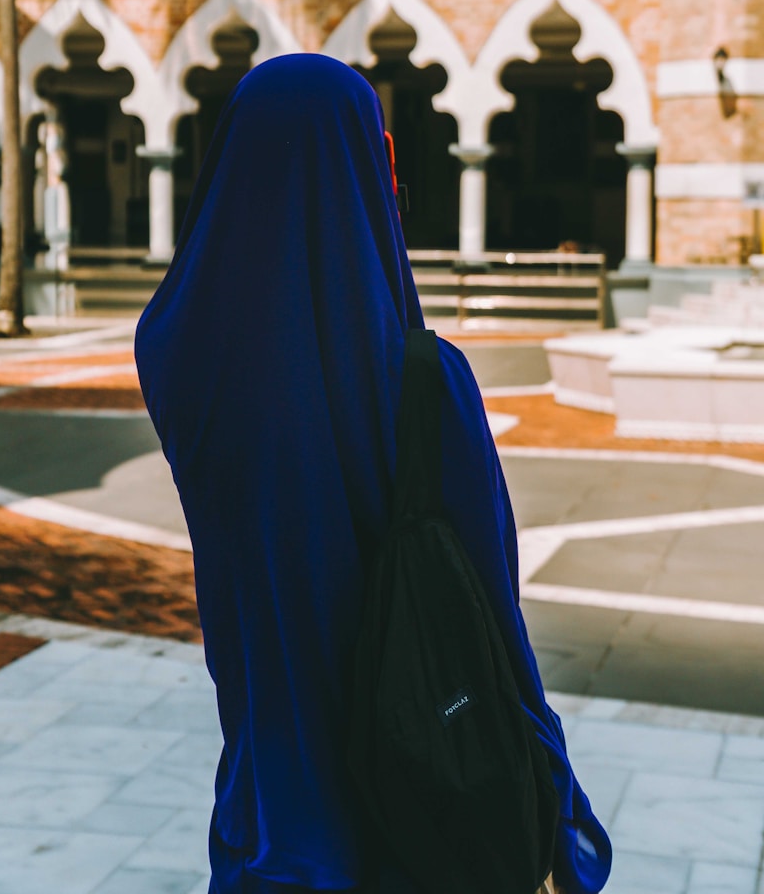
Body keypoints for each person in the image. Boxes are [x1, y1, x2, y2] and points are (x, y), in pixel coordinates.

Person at [135, 54, 611, 894]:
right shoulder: (429, 382)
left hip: (269, 794)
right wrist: (552, 785)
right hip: (414, 803)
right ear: (371, 170)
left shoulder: (175, 355)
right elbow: (492, 606)